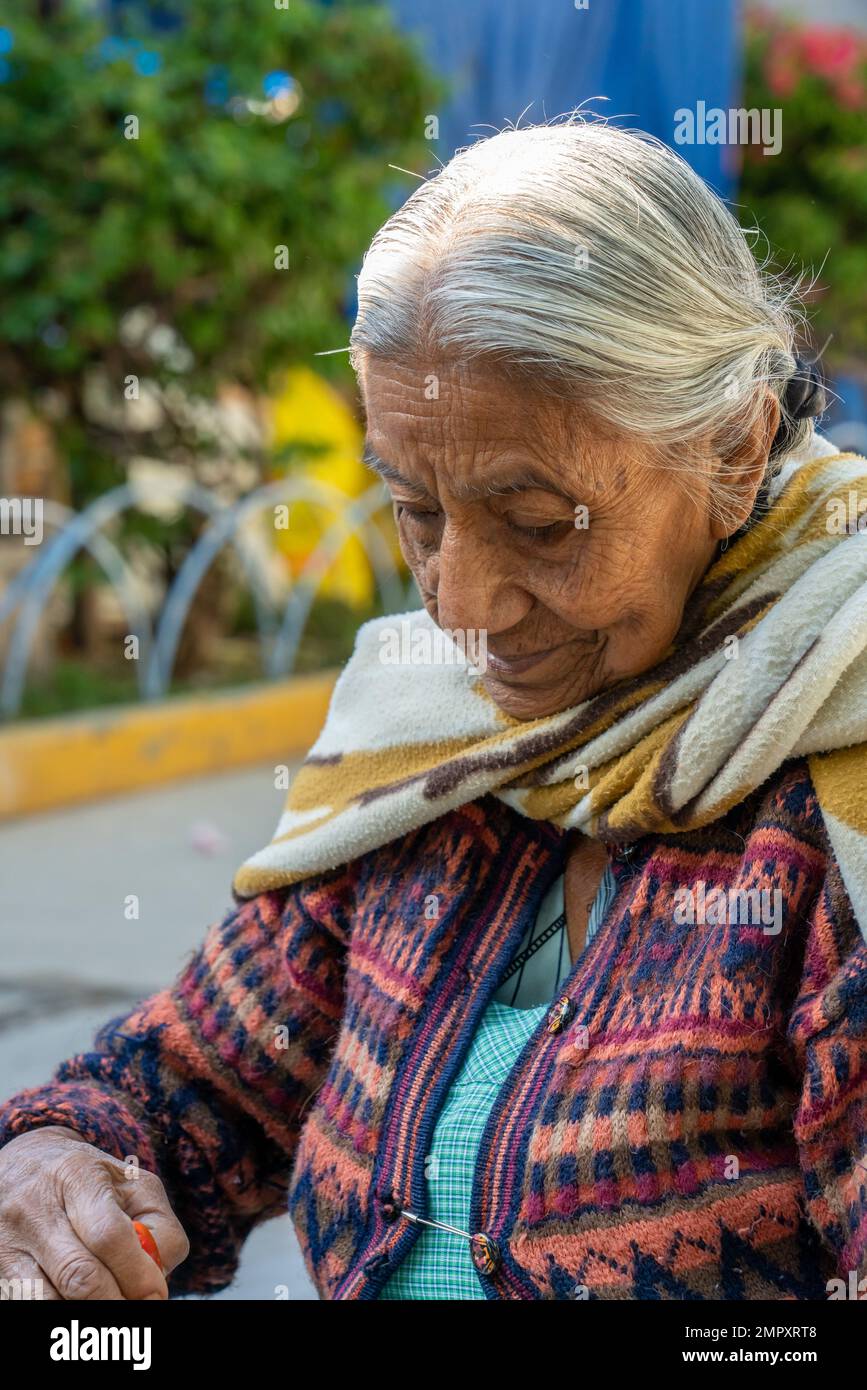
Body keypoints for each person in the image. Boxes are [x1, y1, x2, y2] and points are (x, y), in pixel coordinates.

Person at [2, 119, 866, 1302]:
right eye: (415, 510)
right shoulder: (433, 744)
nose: (460, 606)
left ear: (734, 446)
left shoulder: (837, 789)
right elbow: (190, 1088)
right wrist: (57, 1164)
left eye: (538, 517)